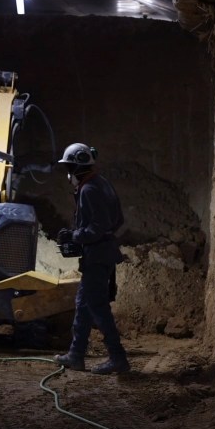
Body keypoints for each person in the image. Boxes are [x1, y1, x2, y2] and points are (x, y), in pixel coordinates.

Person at [53, 143, 130, 374]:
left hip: (97, 256)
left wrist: (77, 236)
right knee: (83, 306)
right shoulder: (102, 183)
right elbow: (116, 221)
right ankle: (76, 355)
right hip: (102, 253)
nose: (68, 172)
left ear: (77, 166)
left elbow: (97, 226)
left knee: (97, 308)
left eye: (69, 166)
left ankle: (118, 358)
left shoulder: (89, 190)